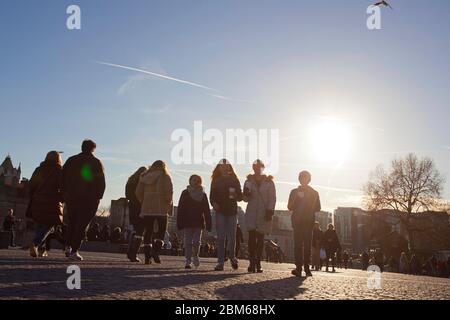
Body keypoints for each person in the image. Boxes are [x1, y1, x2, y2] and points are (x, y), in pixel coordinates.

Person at [63, 139, 106, 261]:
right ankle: (74, 250)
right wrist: (99, 196)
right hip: (89, 198)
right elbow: (101, 181)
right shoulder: (96, 162)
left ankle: (67, 246)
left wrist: (65, 193)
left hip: (71, 197)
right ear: (93, 149)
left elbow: (63, 177)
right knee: (82, 225)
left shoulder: (71, 160)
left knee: (71, 222)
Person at [130, 160, 173, 265]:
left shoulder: (144, 176)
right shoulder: (165, 176)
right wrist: (168, 203)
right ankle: (156, 251)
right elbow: (169, 192)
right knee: (161, 231)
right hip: (161, 207)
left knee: (148, 232)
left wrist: (144, 201)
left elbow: (138, 192)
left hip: (147, 207)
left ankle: (147, 257)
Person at [28, 151, 64, 258]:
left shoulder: (38, 170)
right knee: (49, 225)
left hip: (38, 201)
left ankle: (41, 250)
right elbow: (63, 188)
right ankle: (35, 243)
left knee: (40, 224)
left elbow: (31, 186)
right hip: (52, 202)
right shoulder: (59, 171)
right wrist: (61, 199)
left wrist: (33, 197)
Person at [242, 159, 276, 273]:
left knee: (260, 238)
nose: (257, 169)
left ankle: (258, 262)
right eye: (255, 167)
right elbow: (245, 199)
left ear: (262, 168)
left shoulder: (269, 181)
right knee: (251, 237)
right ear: (253, 168)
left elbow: (272, 197)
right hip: (252, 211)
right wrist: (246, 194)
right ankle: (252, 262)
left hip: (263, 212)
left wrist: (270, 211)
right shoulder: (248, 181)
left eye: (259, 167)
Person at [210, 159, 242, 271]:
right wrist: (214, 203)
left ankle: (232, 257)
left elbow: (239, 196)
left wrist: (238, 194)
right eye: (221, 166)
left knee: (232, 237)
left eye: (226, 165)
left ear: (229, 167)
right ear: (219, 167)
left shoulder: (234, 179)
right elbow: (212, 196)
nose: (224, 167)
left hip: (232, 210)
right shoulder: (216, 180)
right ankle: (220, 262)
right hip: (220, 210)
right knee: (221, 237)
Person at [288, 170, 321, 277]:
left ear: (309, 179)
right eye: (302, 177)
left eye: (305, 177)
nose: (303, 180)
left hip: (308, 221)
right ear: (299, 179)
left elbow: (318, 208)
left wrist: (307, 202)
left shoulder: (314, 193)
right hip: (297, 221)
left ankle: (306, 267)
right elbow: (289, 207)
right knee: (298, 245)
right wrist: (297, 199)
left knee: (306, 245)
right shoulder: (294, 192)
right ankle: (299, 267)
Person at [177, 174, 212, 269]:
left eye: (198, 180)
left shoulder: (203, 194)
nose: (196, 182)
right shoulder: (185, 193)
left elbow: (206, 210)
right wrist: (179, 222)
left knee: (196, 241)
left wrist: (209, 223)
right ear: (190, 181)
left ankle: (196, 256)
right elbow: (180, 208)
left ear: (200, 182)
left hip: (198, 221)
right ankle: (188, 261)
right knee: (187, 242)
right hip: (187, 221)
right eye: (194, 180)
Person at [125, 167, 147, 261]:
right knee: (140, 231)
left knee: (135, 229)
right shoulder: (144, 181)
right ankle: (133, 253)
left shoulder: (131, 180)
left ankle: (130, 252)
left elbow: (127, 195)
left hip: (132, 205)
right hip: (141, 205)